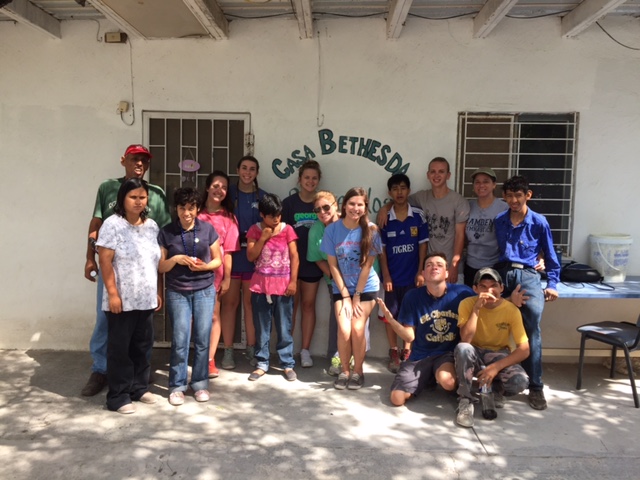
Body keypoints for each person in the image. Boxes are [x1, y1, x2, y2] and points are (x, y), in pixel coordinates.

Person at [82, 145, 170, 397]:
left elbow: (161, 240)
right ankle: (101, 369)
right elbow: (96, 225)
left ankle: (134, 375)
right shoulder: (108, 188)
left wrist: (159, 284)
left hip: (143, 278)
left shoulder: (156, 193)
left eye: (144, 160)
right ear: (124, 160)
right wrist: (90, 257)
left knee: (141, 329)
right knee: (106, 320)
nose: (139, 163)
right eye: (134, 159)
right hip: (113, 271)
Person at [494, 175, 561, 411]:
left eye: (518, 195)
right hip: (503, 275)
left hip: (529, 277)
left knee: (532, 329)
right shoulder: (499, 220)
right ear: (504, 197)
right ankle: (496, 382)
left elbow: (552, 257)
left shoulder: (539, 222)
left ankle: (536, 387)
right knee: (495, 325)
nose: (514, 200)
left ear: (527, 195)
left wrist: (552, 284)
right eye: (509, 195)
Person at [97, 178, 162, 414]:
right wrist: (113, 294)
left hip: (145, 299)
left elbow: (153, 262)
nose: (138, 201)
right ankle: (118, 396)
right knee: (120, 349)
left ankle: (138, 388)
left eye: (142, 197)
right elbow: (104, 261)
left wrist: (156, 291)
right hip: (121, 300)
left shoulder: (152, 226)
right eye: (133, 197)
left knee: (142, 346)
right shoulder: (112, 225)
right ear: (123, 198)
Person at [377, 252, 474, 407]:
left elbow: (488, 302)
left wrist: (510, 301)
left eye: (439, 265)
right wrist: (392, 321)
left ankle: (432, 376)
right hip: (420, 355)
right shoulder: (413, 296)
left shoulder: (462, 293)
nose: (433, 267)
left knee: (448, 382)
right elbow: (409, 337)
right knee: (397, 399)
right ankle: (426, 377)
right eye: (428, 265)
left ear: (447, 273)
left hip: (446, 354)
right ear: (423, 274)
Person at [159, 188, 222, 406]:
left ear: (197, 209)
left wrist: (204, 267)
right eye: (182, 208)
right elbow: (161, 266)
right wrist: (176, 259)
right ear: (176, 209)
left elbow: (218, 260)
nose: (187, 213)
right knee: (180, 339)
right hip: (177, 291)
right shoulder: (167, 232)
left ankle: (200, 383)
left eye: (191, 208)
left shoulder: (207, 229)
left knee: (203, 339)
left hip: (204, 289)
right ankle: (177, 386)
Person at [321, 187, 382, 390]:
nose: (355, 208)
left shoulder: (371, 230)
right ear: (344, 205)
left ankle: (358, 372)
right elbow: (332, 266)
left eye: (360, 205)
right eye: (352, 204)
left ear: (365, 208)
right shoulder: (332, 230)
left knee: (357, 328)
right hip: (342, 288)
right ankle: (345, 370)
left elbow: (367, 266)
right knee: (345, 329)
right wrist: (346, 295)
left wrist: (356, 295)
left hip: (366, 287)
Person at [454, 268, 530, 428]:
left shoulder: (511, 310)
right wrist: (476, 309)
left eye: (494, 285)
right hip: (473, 351)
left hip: (498, 354)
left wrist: (495, 368)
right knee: (463, 348)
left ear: (501, 288)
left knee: (520, 382)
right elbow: (465, 339)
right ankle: (465, 399)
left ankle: (494, 390)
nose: (489, 290)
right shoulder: (467, 304)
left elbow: (524, 349)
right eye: (483, 286)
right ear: (475, 289)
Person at [378, 157, 469, 282]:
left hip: (450, 268)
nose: (436, 175)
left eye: (441, 172)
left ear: (448, 175)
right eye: (433, 171)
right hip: (429, 269)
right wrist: (385, 208)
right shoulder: (421, 197)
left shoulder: (459, 201)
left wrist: (454, 265)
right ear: (428, 175)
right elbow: (399, 200)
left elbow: (460, 235)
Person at [378, 173, 429, 373]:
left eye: (403, 188)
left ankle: (407, 351)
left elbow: (423, 246)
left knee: (410, 316)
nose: (399, 192)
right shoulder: (384, 217)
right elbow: (381, 250)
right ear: (390, 192)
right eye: (395, 189)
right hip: (392, 277)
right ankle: (393, 351)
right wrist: (387, 275)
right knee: (390, 315)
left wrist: (420, 272)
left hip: (412, 277)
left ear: (409, 190)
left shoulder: (418, 215)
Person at [246, 193, 299, 382]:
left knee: (284, 327)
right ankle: (262, 363)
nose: (276, 219)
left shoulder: (287, 230)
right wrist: (263, 238)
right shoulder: (254, 230)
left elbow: (294, 257)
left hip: (284, 287)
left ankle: (287, 363)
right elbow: (251, 256)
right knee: (262, 327)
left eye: (278, 215)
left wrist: (293, 281)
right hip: (261, 287)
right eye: (271, 216)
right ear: (262, 215)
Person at [222, 156, 266, 369]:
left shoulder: (263, 196)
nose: (248, 172)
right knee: (230, 303)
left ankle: (251, 348)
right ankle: (228, 350)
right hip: (231, 253)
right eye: (244, 168)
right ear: (237, 169)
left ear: (257, 172)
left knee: (250, 305)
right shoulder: (227, 193)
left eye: (252, 169)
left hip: (253, 256)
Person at [198, 171, 240, 378]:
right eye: (215, 185)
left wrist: (227, 278)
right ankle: (198, 356)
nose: (219, 190)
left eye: (224, 187)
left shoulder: (229, 218)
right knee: (193, 319)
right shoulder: (195, 213)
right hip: (192, 275)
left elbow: (230, 251)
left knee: (214, 316)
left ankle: (210, 360)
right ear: (207, 187)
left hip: (215, 276)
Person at [282, 160, 323, 368]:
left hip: (313, 263)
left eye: (314, 178)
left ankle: (305, 350)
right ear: (300, 180)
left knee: (308, 305)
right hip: (290, 264)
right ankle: (287, 350)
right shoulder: (289, 204)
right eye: (306, 177)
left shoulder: (321, 204)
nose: (310, 181)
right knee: (291, 307)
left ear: (319, 180)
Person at [306, 190, 341, 375]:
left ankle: (355, 358)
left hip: (357, 280)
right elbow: (316, 258)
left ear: (336, 205)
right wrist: (334, 276)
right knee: (338, 316)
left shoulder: (349, 222)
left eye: (326, 207)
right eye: (317, 209)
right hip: (333, 280)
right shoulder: (316, 230)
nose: (322, 212)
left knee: (358, 320)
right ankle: (335, 356)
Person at [464, 167, 508, 287]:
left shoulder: (504, 209)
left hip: (493, 266)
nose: (481, 185)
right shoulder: (467, 206)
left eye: (486, 181)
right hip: (470, 265)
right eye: (477, 182)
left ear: (494, 185)